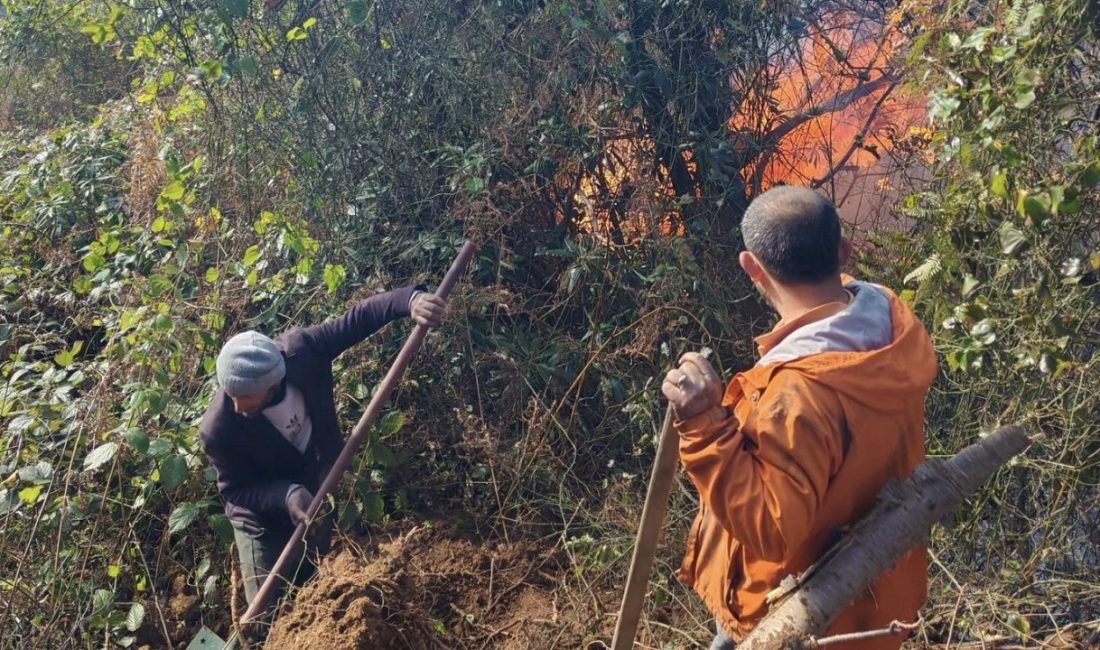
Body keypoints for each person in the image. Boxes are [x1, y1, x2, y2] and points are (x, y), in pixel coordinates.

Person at [662, 186, 936, 649]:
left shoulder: (797, 396)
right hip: (877, 600)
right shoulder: (890, 323)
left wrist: (704, 425)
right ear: (844, 251)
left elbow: (771, 528)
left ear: (751, 267)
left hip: (801, 618)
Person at [199, 285, 447, 612]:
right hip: (259, 520)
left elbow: (359, 319)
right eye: (229, 393)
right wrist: (285, 495)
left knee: (313, 582)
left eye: (246, 396)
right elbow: (236, 491)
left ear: (273, 383)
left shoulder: (303, 352)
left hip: (317, 485)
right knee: (266, 614)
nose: (236, 404)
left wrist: (410, 301)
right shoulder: (219, 429)